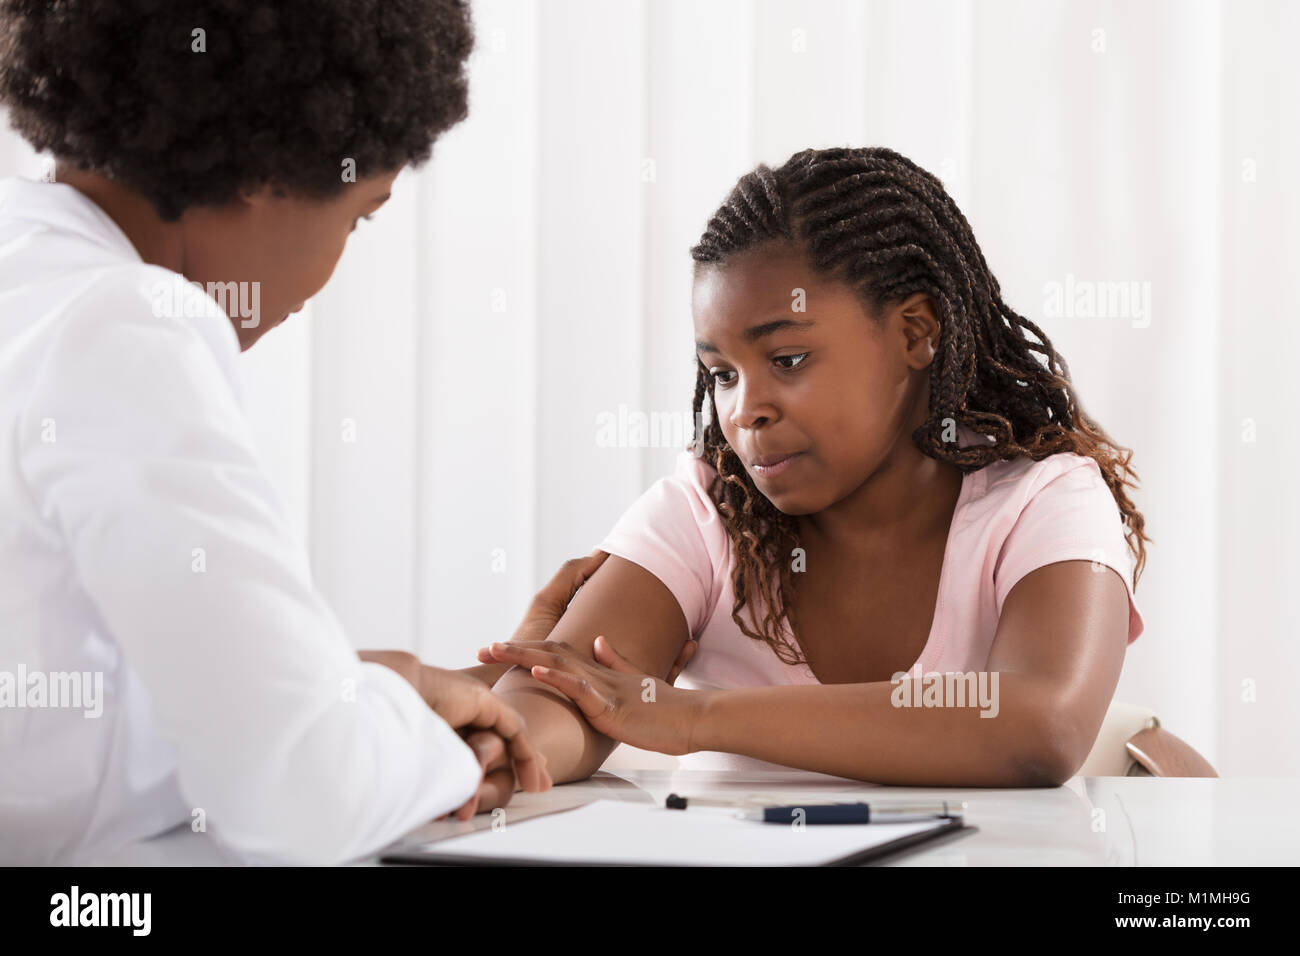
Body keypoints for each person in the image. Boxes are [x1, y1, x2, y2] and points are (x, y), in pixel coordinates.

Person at [0, 0, 581, 866]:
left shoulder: (30, 268)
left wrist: (345, 690)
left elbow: (48, 733)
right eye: (359, 216)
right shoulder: (128, 324)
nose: (324, 280)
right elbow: (303, 796)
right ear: (267, 167)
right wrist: (414, 748)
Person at [477, 146, 1150, 788]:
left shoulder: (1041, 499)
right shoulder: (705, 511)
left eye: (787, 360)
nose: (744, 412)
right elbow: (566, 704)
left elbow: (1044, 725)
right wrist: (494, 754)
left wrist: (692, 717)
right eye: (721, 374)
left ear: (916, 333)